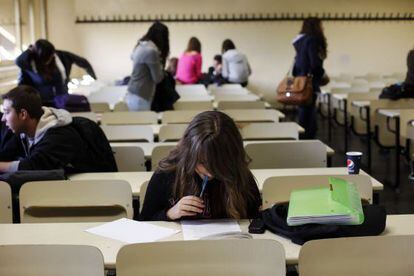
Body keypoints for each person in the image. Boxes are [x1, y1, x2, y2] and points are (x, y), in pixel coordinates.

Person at [140, 111, 261, 221]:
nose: (210, 172)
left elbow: (255, 221)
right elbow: (144, 222)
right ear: (189, 152)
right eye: (202, 162)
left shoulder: (241, 176)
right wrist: (170, 214)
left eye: (220, 164)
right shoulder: (167, 173)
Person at [0, 85, 100, 173]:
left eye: (7, 112)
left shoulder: (60, 135)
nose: (3, 118)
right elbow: (6, 155)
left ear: (23, 114)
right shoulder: (24, 133)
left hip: (90, 189)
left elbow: (34, 165)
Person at [15, 39, 96, 105]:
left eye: (52, 55)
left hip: (60, 98)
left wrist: (94, 77)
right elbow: (18, 61)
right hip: (40, 101)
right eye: (49, 57)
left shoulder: (61, 56)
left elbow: (83, 62)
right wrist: (30, 49)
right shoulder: (29, 62)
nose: (51, 58)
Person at [292, 17, 327, 139]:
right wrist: (322, 74)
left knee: (304, 109)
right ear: (315, 27)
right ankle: (306, 139)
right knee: (308, 110)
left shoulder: (300, 41)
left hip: (301, 79)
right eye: (321, 25)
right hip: (310, 82)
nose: (323, 28)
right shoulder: (312, 40)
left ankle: (303, 136)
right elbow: (315, 64)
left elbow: (298, 63)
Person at [126, 21, 169, 111]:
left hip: (133, 93)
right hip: (141, 96)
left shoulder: (141, 45)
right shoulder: (151, 51)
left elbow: (132, 57)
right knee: (142, 124)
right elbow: (157, 78)